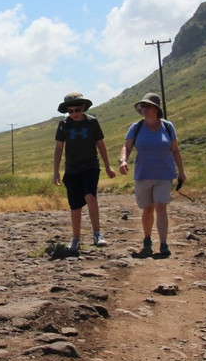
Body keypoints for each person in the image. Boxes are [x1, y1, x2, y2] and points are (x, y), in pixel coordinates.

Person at [117, 92, 186, 258]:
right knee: (148, 209)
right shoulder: (136, 127)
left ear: (156, 109)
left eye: (148, 106)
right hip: (143, 175)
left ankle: (163, 244)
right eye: (143, 106)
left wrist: (181, 171)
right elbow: (126, 147)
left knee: (161, 207)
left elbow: (175, 150)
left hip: (164, 174)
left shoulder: (168, 127)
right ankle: (147, 240)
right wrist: (123, 161)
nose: (145, 109)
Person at [52, 92, 117, 255]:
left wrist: (108, 166)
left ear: (83, 107)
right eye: (70, 111)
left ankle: (97, 234)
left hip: (90, 166)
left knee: (90, 196)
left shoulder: (92, 122)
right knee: (75, 205)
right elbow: (59, 148)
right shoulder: (63, 124)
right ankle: (76, 238)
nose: (74, 113)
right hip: (72, 169)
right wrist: (56, 171)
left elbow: (100, 144)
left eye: (77, 109)